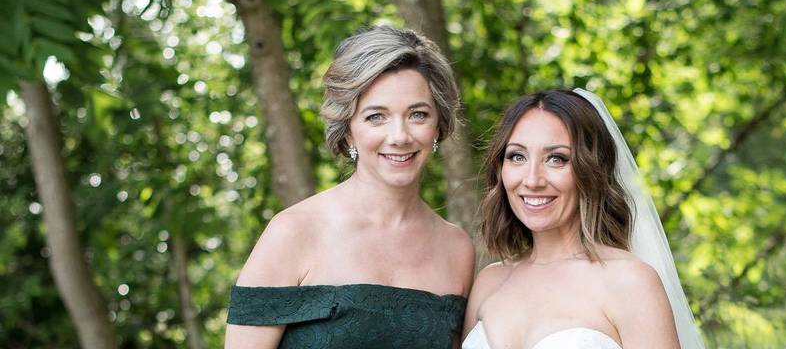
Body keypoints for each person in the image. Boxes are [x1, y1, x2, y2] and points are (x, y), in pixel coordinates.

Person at [226, 25, 475, 349]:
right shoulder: (294, 232)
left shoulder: (456, 248)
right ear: (347, 130)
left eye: (417, 114)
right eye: (376, 117)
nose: (399, 136)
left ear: (438, 126)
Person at [463, 89, 704, 349]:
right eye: (517, 156)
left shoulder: (631, 282)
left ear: (591, 171)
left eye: (556, 159)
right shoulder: (489, 282)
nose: (532, 180)